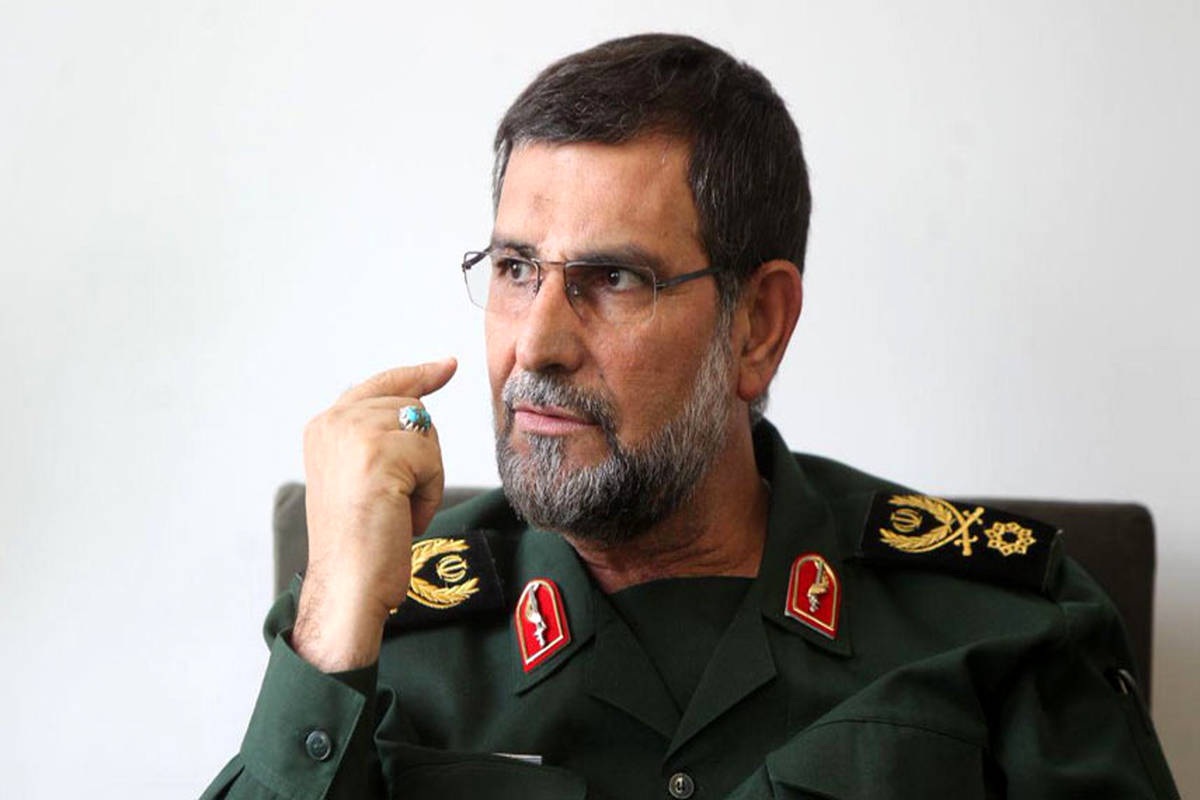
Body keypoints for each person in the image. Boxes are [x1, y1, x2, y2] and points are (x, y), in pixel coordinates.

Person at [201, 34, 1180, 799]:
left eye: (614, 278)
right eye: (515, 268)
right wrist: (331, 626)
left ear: (758, 325)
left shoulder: (998, 623)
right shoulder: (378, 633)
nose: (536, 343)